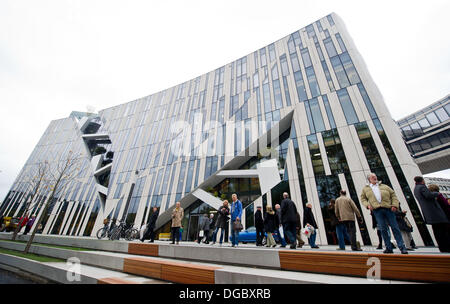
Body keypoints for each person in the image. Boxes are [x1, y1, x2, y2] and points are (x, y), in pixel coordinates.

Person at [360, 173, 408, 254]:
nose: (375, 178)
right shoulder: (366, 189)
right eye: (372, 177)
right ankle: (388, 247)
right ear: (369, 179)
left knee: (395, 228)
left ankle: (402, 247)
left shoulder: (384, 186)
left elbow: (393, 196)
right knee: (383, 229)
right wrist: (367, 205)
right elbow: (363, 198)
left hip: (388, 209)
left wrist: (394, 205)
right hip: (377, 210)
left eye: (375, 176)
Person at [413, 176, 450, 252]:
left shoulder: (416, 189)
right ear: (422, 181)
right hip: (435, 214)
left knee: (437, 231)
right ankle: (445, 247)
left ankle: (442, 247)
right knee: (442, 232)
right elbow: (428, 195)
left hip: (430, 215)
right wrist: (437, 193)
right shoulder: (422, 187)